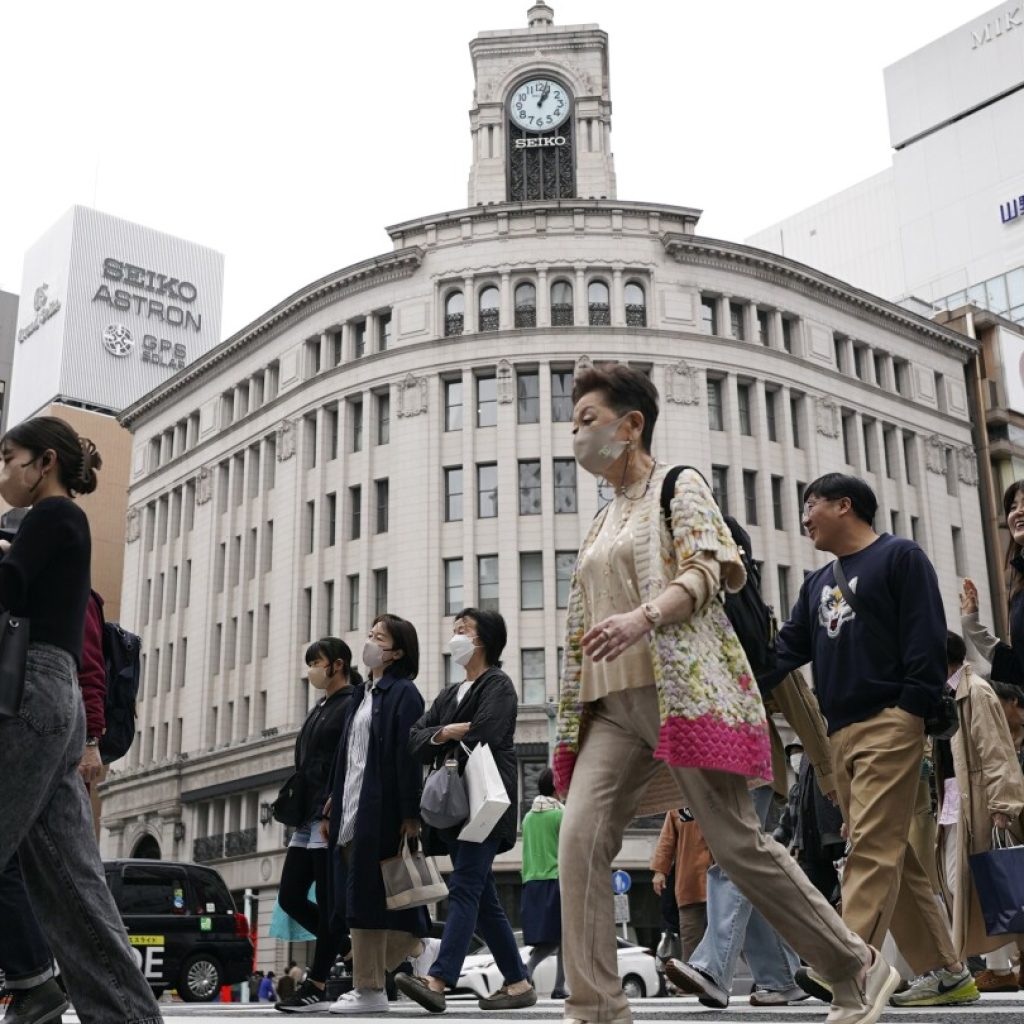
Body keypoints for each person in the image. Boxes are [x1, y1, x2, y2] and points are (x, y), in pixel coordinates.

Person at [553, 364, 898, 1024]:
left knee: (738, 844)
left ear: (631, 426)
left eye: (587, 421)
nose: (576, 436)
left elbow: (712, 566)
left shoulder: (677, 486)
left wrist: (643, 617)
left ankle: (854, 964)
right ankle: (593, 1008)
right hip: (611, 709)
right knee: (578, 842)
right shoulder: (601, 521)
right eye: (573, 425)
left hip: (679, 693)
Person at [760, 472, 977, 1008]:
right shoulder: (816, 584)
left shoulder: (901, 558)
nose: (805, 516)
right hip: (842, 734)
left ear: (845, 505)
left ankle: (847, 963)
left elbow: (926, 636)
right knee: (892, 854)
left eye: (811, 505)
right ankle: (948, 974)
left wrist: (910, 708)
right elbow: (784, 652)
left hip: (890, 722)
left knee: (870, 849)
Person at [0, 416, 163, 1024]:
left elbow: (10, 587)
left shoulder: (52, 515)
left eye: (8, 457)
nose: (4, 471)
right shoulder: (65, 523)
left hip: (33, 695)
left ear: (44, 461)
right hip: (57, 701)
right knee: (74, 884)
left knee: (72, 882)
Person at [400, 608, 537, 1013]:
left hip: (483, 805)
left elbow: (487, 733)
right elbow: (414, 739)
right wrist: (447, 730)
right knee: (483, 899)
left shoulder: (499, 685)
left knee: (463, 887)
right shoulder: (449, 693)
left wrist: (442, 733)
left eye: (464, 630)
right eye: (454, 629)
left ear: (485, 641)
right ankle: (517, 982)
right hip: (455, 807)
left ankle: (438, 979)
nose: (455, 636)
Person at [666, 670, 830, 1008]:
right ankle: (781, 977)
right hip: (712, 760)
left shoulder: (747, 622)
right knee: (748, 870)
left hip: (750, 757)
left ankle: (712, 969)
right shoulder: (694, 635)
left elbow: (796, 696)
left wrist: (827, 772)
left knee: (732, 863)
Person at [324, 614, 436, 1014]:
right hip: (351, 807)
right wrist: (334, 798)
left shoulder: (404, 693)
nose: (370, 641)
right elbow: (349, 756)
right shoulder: (361, 693)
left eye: (379, 637)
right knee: (360, 900)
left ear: (398, 651)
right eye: (370, 634)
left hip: (380, 809)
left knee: (367, 901)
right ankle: (417, 947)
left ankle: (370, 989)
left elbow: (408, 758)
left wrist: (409, 812)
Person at [934, 629, 1024, 992]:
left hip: (979, 796)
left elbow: (997, 749)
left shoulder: (976, 691)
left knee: (989, 879)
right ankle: (999, 966)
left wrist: (1002, 804)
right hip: (956, 796)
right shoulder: (951, 691)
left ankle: (1000, 966)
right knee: (967, 881)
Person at [276, 638, 360, 1014]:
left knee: (328, 904)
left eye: (317, 661)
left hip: (328, 813)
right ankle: (344, 945)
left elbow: (350, 759)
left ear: (337, 664)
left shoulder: (352, 703)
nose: (312, 668)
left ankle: (317, 983)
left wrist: (334, 806)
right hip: (305, 815)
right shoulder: (321, 706)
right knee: (290, 896)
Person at [520, 768, 566, 999]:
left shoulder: (528, 817)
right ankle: (551, 983)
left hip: (531, 882)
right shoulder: (561, 814)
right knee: (562, 937)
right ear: (557, 788)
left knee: (548, 937)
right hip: (555, 881)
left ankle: (555, 985)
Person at [650, 809, 710, 962]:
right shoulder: (678, 807)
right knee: (691, 945)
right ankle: (692, 983)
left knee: (729, 939)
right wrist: (660, 871)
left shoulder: (722, 796)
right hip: (690, 886)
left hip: (723, 886)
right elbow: (667, 840)